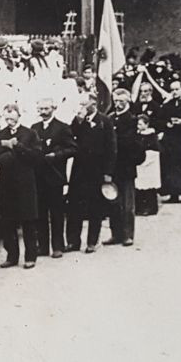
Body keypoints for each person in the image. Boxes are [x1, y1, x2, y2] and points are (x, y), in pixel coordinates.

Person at [0, 103, 42, 269]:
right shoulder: (0, 134)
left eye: (12, 117)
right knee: (7, 221)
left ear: (19, 115)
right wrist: (5, 150)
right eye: (7, 118)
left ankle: (30, 256)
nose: (9, 121)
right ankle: (12, 256)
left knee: (28, 220)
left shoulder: (30, 133)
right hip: (6, 182)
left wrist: (17, 146)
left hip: (25, 181)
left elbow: (36, 156)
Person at [66, 96, 116, 254]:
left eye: (84, 103)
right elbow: (70, 136)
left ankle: (92, 242)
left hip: (97, 170)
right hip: (79, 169)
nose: (81, 106)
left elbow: (111, 148)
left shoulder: (105, 121)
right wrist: (79, 121)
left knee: (95, 206)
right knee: (74, 205)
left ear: (93, 104)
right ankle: (73, 241)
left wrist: (108, 172)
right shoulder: (77, 120)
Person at [30, 97, 75, 260]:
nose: (43, 112)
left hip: (55, 175)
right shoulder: (34, 128)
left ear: (53, 109)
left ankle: (57, 246)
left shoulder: (62, 127)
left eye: (46, 109)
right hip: (38, 176)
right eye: (40, 109)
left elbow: (72, 148)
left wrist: (56, 155)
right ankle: (42, 246)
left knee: (56, 212)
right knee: (40, 213)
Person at [108, 88, 145, 246]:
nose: (118, 104)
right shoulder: (110, 118)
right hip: (112, 167)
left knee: (128, 204)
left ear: (128, 101)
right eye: (116, 101)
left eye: (121, 102)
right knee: (112, 201)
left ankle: (128, 234)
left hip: (126, 167)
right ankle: (115, 234)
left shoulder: (132, 120)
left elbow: (135, 146)